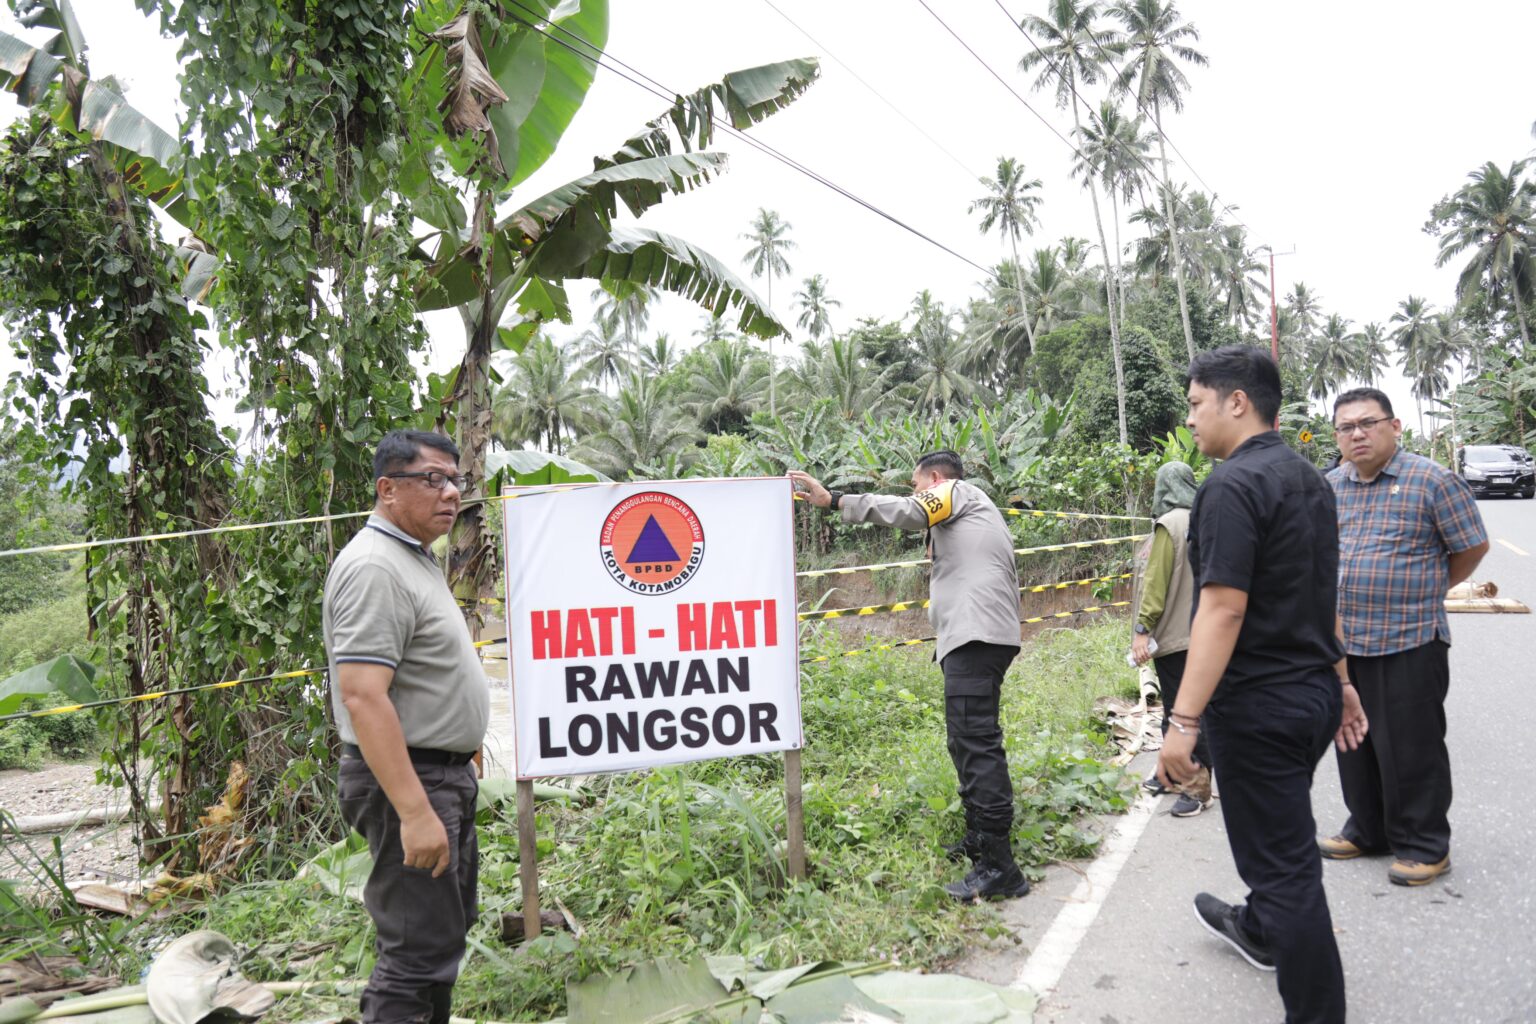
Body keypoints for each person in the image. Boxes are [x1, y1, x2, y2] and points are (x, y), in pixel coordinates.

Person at [1157, 346, 1367, 1024]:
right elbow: (1322, 593)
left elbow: (1222, 607)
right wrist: (1342, 681)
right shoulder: (1311, 480)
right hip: (1309, 696)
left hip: (1259, 707)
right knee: (1282, 839)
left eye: (1195, 404)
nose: (1190, 419)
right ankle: (1255, 926)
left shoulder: (1229, 486)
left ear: (1235, 402)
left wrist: (1183, 723)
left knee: (1286, 874)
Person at [789, 452, 1028, 901]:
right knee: (965, 739)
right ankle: (980, 842)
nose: (915, 492)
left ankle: (1001, 867)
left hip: (977, 635)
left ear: (934, 480)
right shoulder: (968, 509)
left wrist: (835, 499)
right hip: (975, 635)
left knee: (976, 741)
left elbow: (911, 511)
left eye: (916, 485)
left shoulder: (953, 491)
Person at [324, 430, 490, 1024]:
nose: (449, 493)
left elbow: (415, 677)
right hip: (409, 784)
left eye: (455, 480)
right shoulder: (375, 568)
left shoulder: (411, 557)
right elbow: (364, 697)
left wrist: (461, 748)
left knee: (440, 935)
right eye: (433, 479)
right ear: (387, 489)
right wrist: (416, 811)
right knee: (416, 949)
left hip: (436, 774)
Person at [1320, 388, 1488, 886]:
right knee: (1355, 742)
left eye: (1367, 423)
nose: (1357, 434)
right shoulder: (1330, 487)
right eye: (1346, 427)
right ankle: (1369, 830)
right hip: (1347, 642)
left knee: (1411, 748)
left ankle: (1424, 844)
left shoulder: (1433, 481)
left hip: (1410, 638)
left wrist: (1430, 587)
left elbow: (1471, 547)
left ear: (1394, 427)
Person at [1131, 461, 1212, 817]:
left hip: (1176, 636)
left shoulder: (1168, 525)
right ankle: (1171, 774)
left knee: (1182, 713)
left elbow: (1156, 584)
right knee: (1195, 709)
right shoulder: (1206, 519)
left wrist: (1142, 629)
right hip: (1206, 632)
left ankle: (1196, 789)